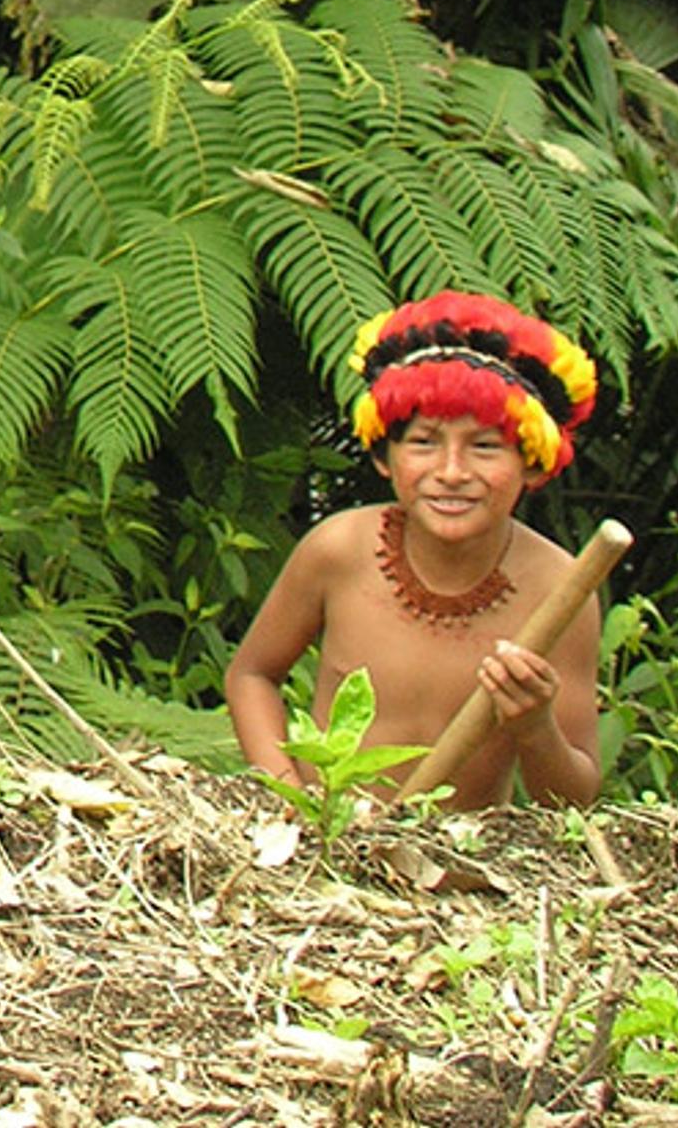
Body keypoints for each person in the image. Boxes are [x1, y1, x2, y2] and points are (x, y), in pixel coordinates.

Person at [223, 292, 606, 812]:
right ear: (383, 455)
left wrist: (536, 728)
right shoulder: (338, 551)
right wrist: (291, 796)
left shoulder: (559, 590)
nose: (451, 472)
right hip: (323, 855)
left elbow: (574, 800)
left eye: (485, 447)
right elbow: (251, 676)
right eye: (424, 442)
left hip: (455, 873)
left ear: (533, 464)